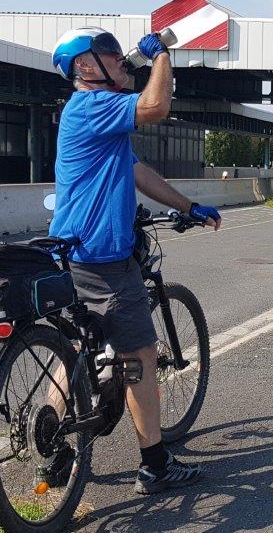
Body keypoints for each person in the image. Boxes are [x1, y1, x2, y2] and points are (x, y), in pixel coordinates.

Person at [49, 27, 222, 495]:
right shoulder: (91, 104)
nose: (119, 59)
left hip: (74, 250)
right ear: (84, 67)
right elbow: (155, 107)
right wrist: (162, 57)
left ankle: (53, 440)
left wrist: (188, 206)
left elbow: (137, 171)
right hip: (104, 254)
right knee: (140, 354)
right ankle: (155, 463)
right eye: (108, 52)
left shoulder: (97, 121)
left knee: (83, 343)